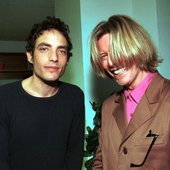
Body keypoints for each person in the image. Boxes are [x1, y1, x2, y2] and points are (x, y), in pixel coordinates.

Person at [0, 16, 85, 170]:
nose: (54, 58)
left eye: (61, 51)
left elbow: (74, 155)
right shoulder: (4, 97)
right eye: (44, 49)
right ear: (30, 56)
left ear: (67, 59)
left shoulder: (75, 97)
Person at [90, 14, 170, 170]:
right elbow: (100, 161)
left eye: (117, 50)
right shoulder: (108, 106)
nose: (111, 62)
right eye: (104, 56)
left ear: (137, 46)